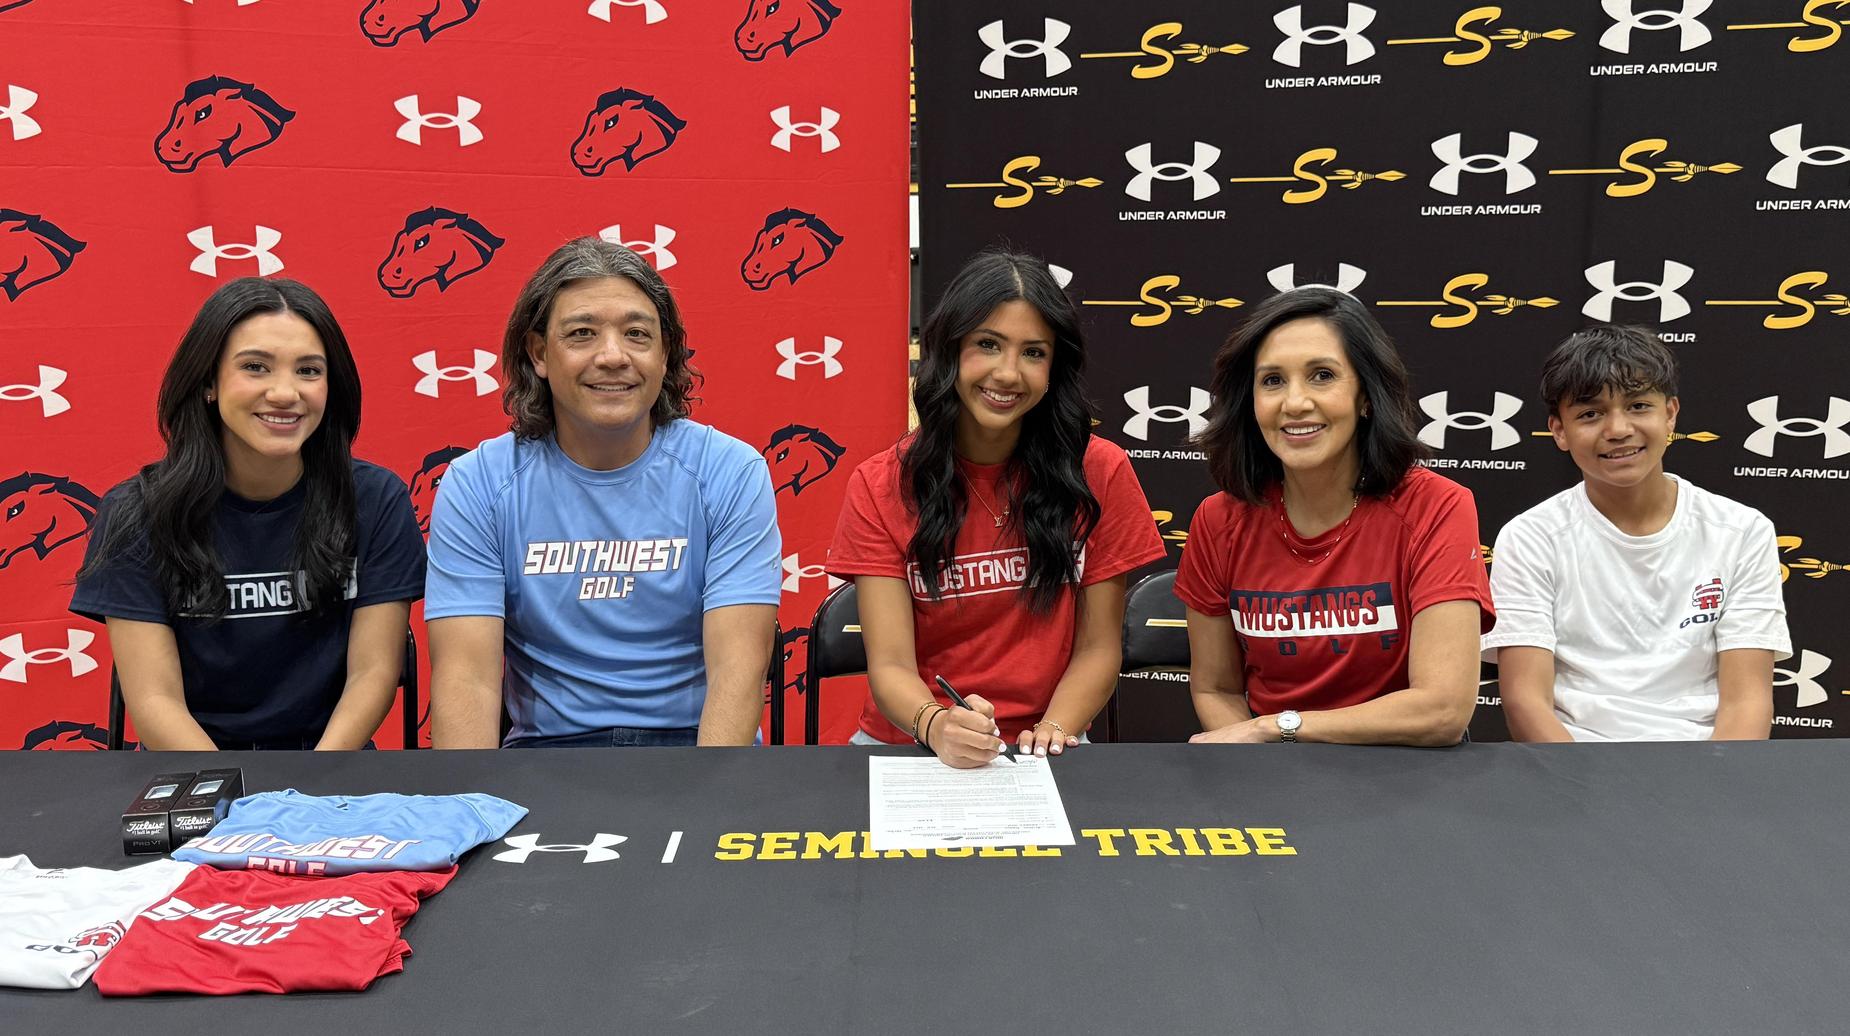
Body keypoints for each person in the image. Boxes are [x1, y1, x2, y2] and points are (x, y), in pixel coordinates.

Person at [425, 238, 780, 748]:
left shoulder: (730, 472)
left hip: (694, 747)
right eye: (581, 334)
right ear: (539, 353)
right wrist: (473, 796)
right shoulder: (477, 483)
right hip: (548, 751)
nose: (613, 356)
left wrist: (707, 791)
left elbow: (738, 672)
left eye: (637, 334)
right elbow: (467, 681)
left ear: (665, 354)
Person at [827, 249, 1164, 767]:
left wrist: (1050, 733)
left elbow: (1098, 648)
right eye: (988, 344)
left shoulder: (1101, 471)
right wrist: (938, 726)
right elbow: (890, 665)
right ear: (951, 349)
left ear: (1054, 368)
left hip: (1047, 743)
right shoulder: (880, 484)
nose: (1008, 373)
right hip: (912, 743)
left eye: (1033, 353)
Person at [71, 278, 425, 750]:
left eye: (308, 371)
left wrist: (308, 785)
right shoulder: (136, 513)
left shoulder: (376, 499)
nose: (284, 393)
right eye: (255, 367)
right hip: (194, 769)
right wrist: (235, 791)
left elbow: (373, 673)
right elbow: (156, 701)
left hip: (332, 766)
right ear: (208, 384)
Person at [1174, 286, 1492, 746]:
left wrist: (1275, 728)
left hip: (1405, 769)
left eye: (1322, 375)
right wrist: (1265, 763)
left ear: (1366, 396)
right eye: (1272, 381)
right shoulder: (1218, 520)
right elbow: (1216, 688)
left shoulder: (1437, 506)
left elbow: (1442, 710)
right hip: (1271, 770)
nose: (1295, 403)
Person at [1484, 325, 1788, 741]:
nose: (1618, 429)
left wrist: (1713, 781)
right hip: (1572, 764)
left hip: (1705, 764)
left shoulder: (1742, 531)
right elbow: (1526, 702)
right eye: (1590, 414)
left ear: (1670, 414)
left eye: (1638, 406)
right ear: (1559, 431)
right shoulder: (1529, 538)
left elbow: (1747, 702)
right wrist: (1581, 782)